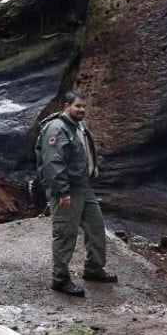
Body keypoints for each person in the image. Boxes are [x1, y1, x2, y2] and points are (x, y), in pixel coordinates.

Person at [35, 91, 117, 296]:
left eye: (83, 106)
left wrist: (93, 167)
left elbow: (85, 150)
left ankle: (94, 269)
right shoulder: (57, 128)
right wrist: (62, 192)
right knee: (65, 234)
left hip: (83, 186)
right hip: (67, 190)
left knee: (96, 227)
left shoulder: (79, 125)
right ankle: (60, 279)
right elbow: (53, 164)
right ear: (66, 106)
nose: (81, 110)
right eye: (77, 106)